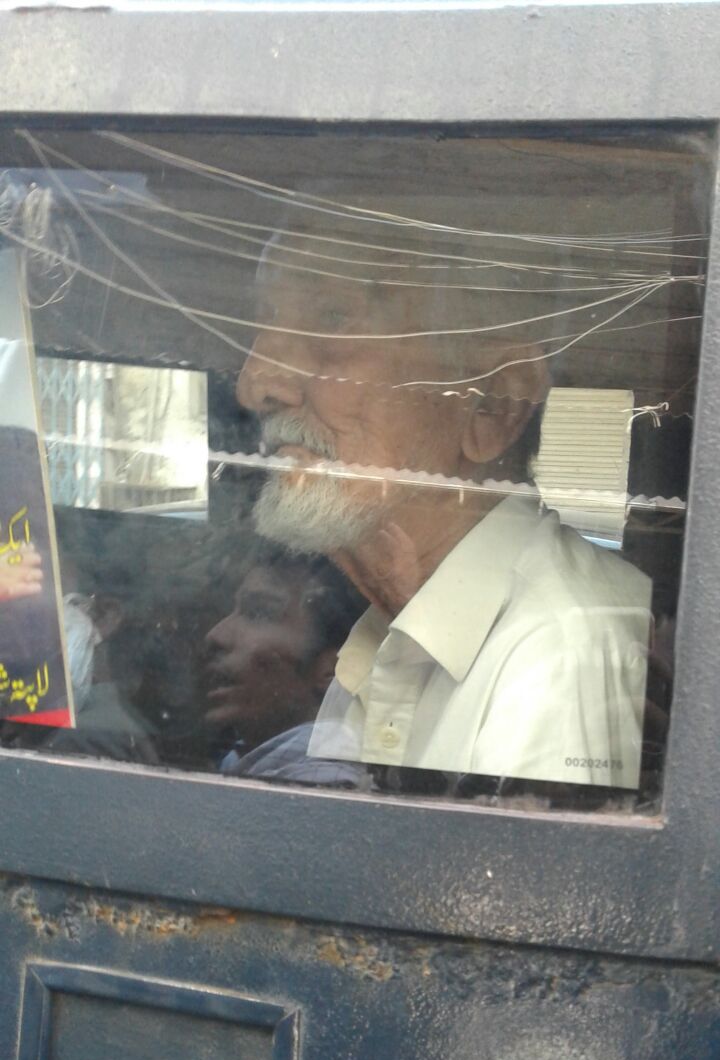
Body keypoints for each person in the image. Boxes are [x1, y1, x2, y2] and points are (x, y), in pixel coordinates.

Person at [235, 214, 652, 791]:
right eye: (261, 327)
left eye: (332, 319)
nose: (254, 383)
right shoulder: (396, 623)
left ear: (493, 405)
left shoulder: (556, 649)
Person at [203, 543, 366, 785]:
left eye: (258, 613)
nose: (216, 635)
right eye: (232, 611)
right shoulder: (251, 765)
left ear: (333, 669)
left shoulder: (318, 788)